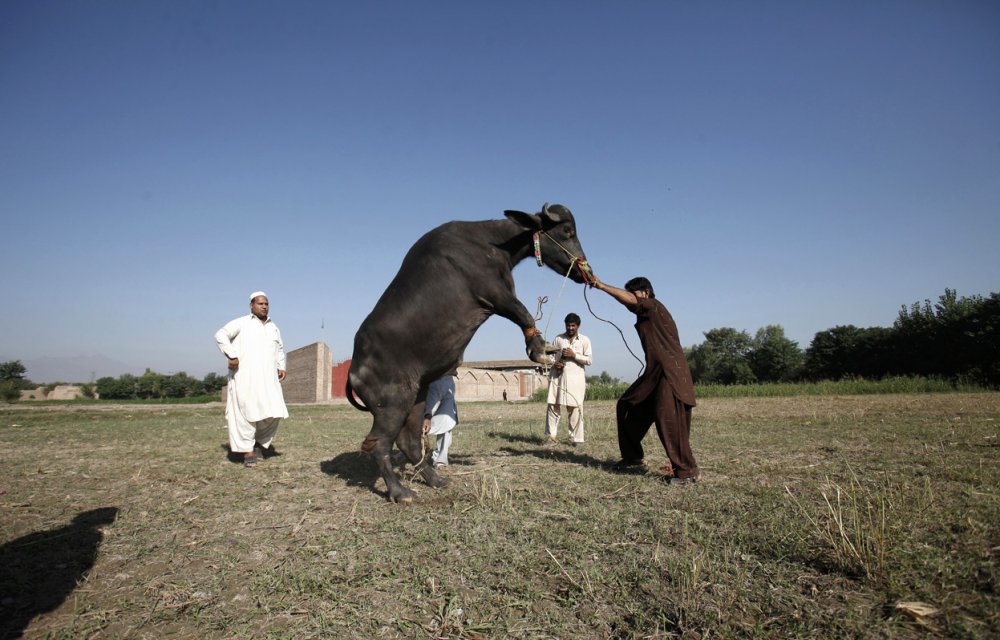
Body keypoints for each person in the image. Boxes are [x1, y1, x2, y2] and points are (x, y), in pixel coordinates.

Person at [589, 276, 699, 484]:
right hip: (653, 374)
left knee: (668, 417)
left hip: (669, 372)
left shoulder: (654, 306)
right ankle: (633, 457)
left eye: (633, 294)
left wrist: (601, 285)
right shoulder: (645, 315)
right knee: (626, 405)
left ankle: (687, 472)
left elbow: (634, 302)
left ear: (646, 292)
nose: (629, 299)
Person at [213, 291, 289, 468]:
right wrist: (232, 355)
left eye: (266, 304)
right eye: (260, 303)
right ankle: (248, 452)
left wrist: (281, 366)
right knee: (246, 414)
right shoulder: (242, 323)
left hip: (269, 378)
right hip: (244, 377)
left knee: (274, 412)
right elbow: (220, 335)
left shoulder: (273, 327)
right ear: (251, 306)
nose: (264, 306)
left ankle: (257, 443)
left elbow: (279, 348)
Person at [544, 313, 592, 446]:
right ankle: (550, 437)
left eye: (573, 326)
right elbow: (551, 357)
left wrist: (574, 355)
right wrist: (556, 363)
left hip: (575, 380)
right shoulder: (558, 339)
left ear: (578, 326)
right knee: (553, 406)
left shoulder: (584, 340)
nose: (570, 328)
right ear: (565, 325)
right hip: (557, 378)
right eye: (568, 325)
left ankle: (575, 439)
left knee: (575, 408)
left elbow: (589, 360)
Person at [423, 371, 459, 468]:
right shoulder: (436, 382)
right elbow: (433, 399)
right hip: (434, 390)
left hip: (446, 406)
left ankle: (441, 458)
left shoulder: (448, 378)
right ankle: (408, 453)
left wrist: (427, 416)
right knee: (419, 428)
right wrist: (427, 416)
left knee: (446, 425)